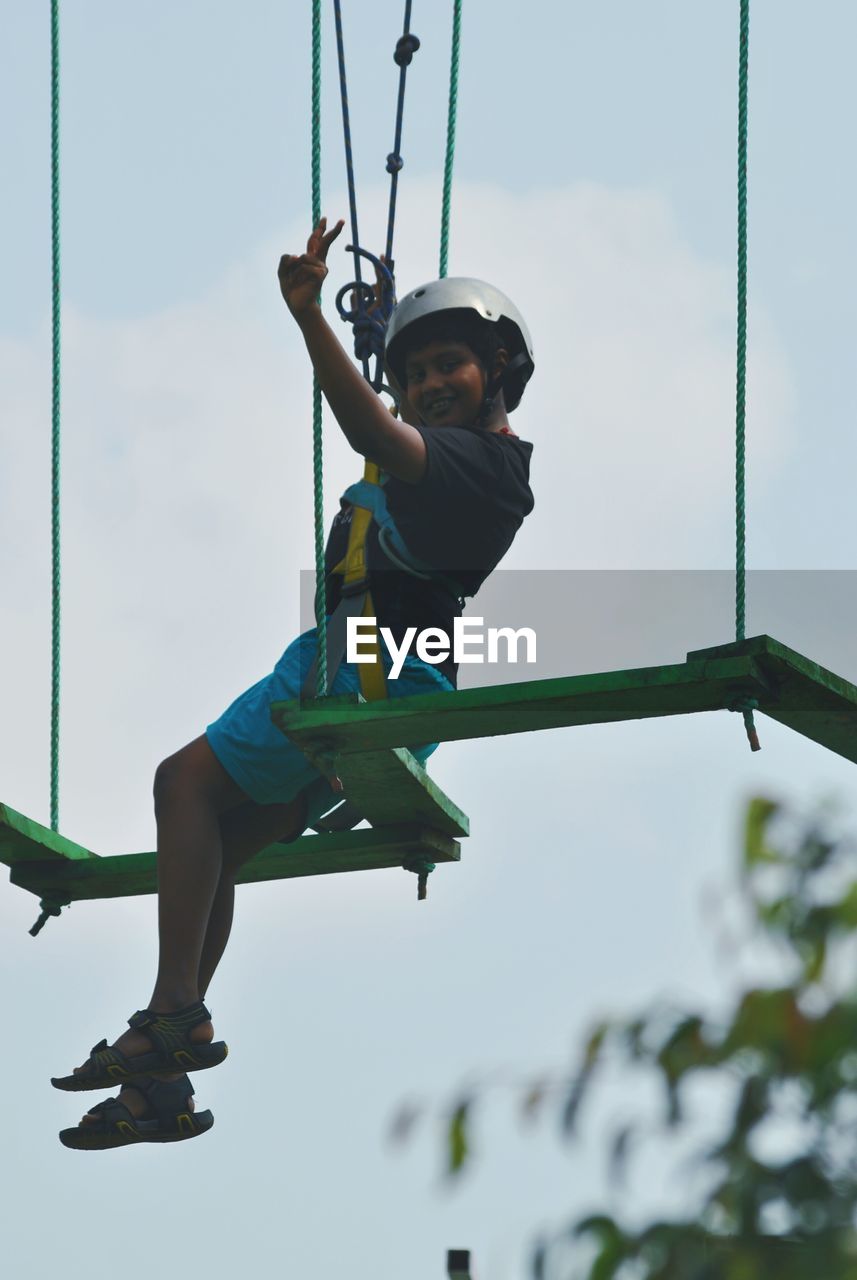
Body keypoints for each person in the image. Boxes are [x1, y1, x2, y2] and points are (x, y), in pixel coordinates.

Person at [52, 218, 535, 1149]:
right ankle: (165, 1080)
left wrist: (311, 320)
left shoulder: (482, 463)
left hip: (363, 673)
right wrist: (367, 336)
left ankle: (170, 1015)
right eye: (417, 372)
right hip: (374, 672)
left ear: (499, 376)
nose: (432, 384)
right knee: (216, 847)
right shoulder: (453, 459)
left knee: (180, 785)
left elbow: (367, 425)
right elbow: (380, 430)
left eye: (451, 367)